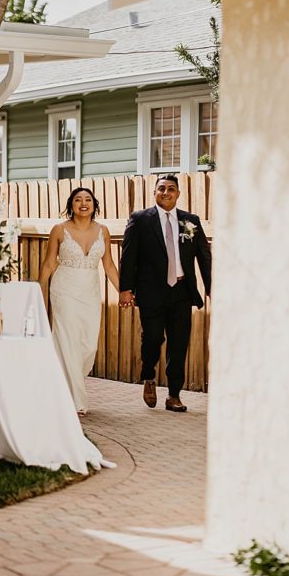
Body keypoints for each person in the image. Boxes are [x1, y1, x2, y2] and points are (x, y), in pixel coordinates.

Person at [118, 175, 212, 413]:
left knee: (179, 344)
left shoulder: (191, 221)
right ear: (154, 192)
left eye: (171, 189)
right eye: (161, 188)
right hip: (151, 291)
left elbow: (204, 256)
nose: (166, 192)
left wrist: (212, 288)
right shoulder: (140, 220)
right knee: (152, 338)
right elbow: (128, 256)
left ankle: (174, 395)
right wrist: (125, 289)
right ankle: (149, 376)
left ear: (178, 193)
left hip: (181, 291)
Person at [40, 187, 121, 417]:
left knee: (88, 345)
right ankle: (76, 401)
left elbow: (109, 266)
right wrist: (38, 288)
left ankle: (60, 389)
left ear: (94, 205)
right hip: (64, 289)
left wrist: (124, 291)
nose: (83, 203)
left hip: (90, 291)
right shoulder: (59, 230)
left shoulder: (103, 231)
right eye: (78, 199)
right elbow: (48, 264)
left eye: (87, 199)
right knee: (67, 341)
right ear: (71, 205)